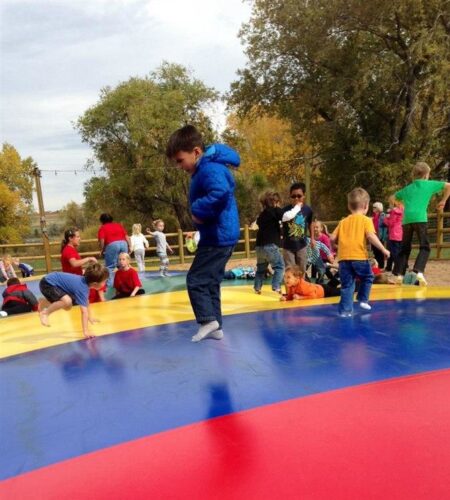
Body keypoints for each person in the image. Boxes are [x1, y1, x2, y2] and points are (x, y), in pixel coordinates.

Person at [166, 124, 240, 342]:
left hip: (217, 236)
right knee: (211, 281)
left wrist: (198, 211)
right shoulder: (207, 168)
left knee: (196, 279)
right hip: (221, 234)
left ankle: (207, 320)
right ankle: (216, 326)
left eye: (180, 160)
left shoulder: (209, 169)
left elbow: (221, 192)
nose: (179, 166)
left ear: (196, 152)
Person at [330, 187, 390, 317]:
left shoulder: (343, 221)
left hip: (343, 259)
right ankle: (363, 299)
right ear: (366, 206)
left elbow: (332, 238)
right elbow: (371, 236)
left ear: (349, 206)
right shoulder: (366, 220)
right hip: (359, 257)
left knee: (347, 285)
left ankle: (345, 312)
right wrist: (383, 249)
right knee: (368, 277)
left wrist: (334, 246)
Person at [393, 162, 450, 285]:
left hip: (407, 220)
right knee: (425, 247)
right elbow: (448, 186)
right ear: (426, 175)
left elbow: (392, 197)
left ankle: (399, 274)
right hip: (420, 218)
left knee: (405, 248)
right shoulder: (429, 184)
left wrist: (400, 205)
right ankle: (418, 271)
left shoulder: (408, 188)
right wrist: (443, 201)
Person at [39, 263, 109, 339]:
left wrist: (90, 317)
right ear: (95, 284)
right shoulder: (82, 288)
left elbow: (86, 302)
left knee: (68, 307)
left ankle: (46, 300)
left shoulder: (84, 284)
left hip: (53, 283)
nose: (105, 283)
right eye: (104, 281)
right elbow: (84, 311)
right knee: (67, 301)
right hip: (47, 283)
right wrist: (86, 331)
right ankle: (45, 313)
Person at [60, 228, 105, 304]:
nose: (79, 239)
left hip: (74, 281)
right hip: (73, 283)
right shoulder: (68, 250)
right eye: (77, 237)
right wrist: (88, 258)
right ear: (70, 238)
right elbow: (74, 263)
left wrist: (83, 270)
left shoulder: (71, 249)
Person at [253, 191, 284, 294]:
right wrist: (277, 207)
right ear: (275, 202)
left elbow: (257, 223)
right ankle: (276, 286)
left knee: (261, 268)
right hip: (270, 245)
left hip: (259, 246)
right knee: (279, 266)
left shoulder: (261, 215)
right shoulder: (276, 211)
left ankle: (257, 288)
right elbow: (284, 216)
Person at [281, 182, 315, 272]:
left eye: (299, 196)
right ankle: (290, 286)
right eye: (293, 196)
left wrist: (312, 238)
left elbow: (311, 222)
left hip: (302, 245)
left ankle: (301, 286)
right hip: (287, 246)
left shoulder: (308, 210)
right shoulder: (284, 211)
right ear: (290, 196)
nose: (296, 198)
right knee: (290, 272)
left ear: (304, 196)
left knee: (302, 271)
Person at [97, 213, 131, 287]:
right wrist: (130, 246)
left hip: (112, 245)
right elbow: (126, 236)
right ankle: (127, 282)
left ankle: (110, 285)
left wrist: (101, 249)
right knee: (123, 264)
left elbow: (102, 240)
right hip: (123, 243)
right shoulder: (118, 225)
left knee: (110, 267)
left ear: (102, 221)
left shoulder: (102, 228)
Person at [383, 196, 404, 272]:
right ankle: (400, 267)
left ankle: (398, 269)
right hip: (401, 234)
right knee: (399, 252)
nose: (390, 205)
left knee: (394, 253)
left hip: (394, 234)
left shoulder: (394, 211)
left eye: (390, 203)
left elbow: (391, 223)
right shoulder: (403, 210)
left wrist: (386, 219)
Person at [371, 202, 387, 269]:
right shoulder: (374, 216)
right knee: (375, 251)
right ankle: (377, 266)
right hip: (374, 235)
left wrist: (383, 236)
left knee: (380, 251)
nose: (373, 209)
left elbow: (385, 226)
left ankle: (381, 266)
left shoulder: (382, 215)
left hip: (379, 236)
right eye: (373, 207)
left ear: (378, 208)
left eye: (374, 207)